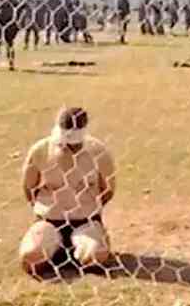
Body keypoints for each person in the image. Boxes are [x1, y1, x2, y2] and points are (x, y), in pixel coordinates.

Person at [18, 107, 116, 276]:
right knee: (30, 257)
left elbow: (108, 190)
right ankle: (52, 247)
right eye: (63, 143)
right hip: (49, 222)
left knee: (95, 257)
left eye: (74, 145)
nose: (68, 148)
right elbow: (28, 188)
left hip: (86, 222)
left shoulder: (98, 152)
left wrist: (88, 209)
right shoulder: (40, 150)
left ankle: (91, 242)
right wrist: (47, 210)